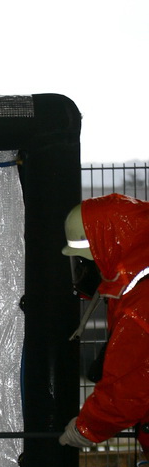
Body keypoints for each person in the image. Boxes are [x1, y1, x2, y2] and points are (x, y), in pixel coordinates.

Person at [59, 193, 149, 452]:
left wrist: (86, 429)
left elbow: (126, 393)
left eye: (86, 260)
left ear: (105, 250)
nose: (85, 270)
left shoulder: (139, 304)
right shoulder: (135, 286)